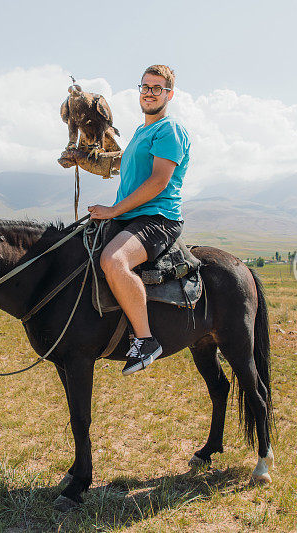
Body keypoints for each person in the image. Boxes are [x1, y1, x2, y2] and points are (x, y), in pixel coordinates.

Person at [87, 64, 191, 376]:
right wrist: (87, 156)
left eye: (157, 88)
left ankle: (146, 341)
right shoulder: (141, 131)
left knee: (114, 261)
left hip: (157, 218)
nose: (149, 92)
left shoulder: (169, 130)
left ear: (169, 94)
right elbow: (126, 166)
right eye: (145, 87)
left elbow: (159, 182)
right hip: (133, 215)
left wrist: (113, 210)